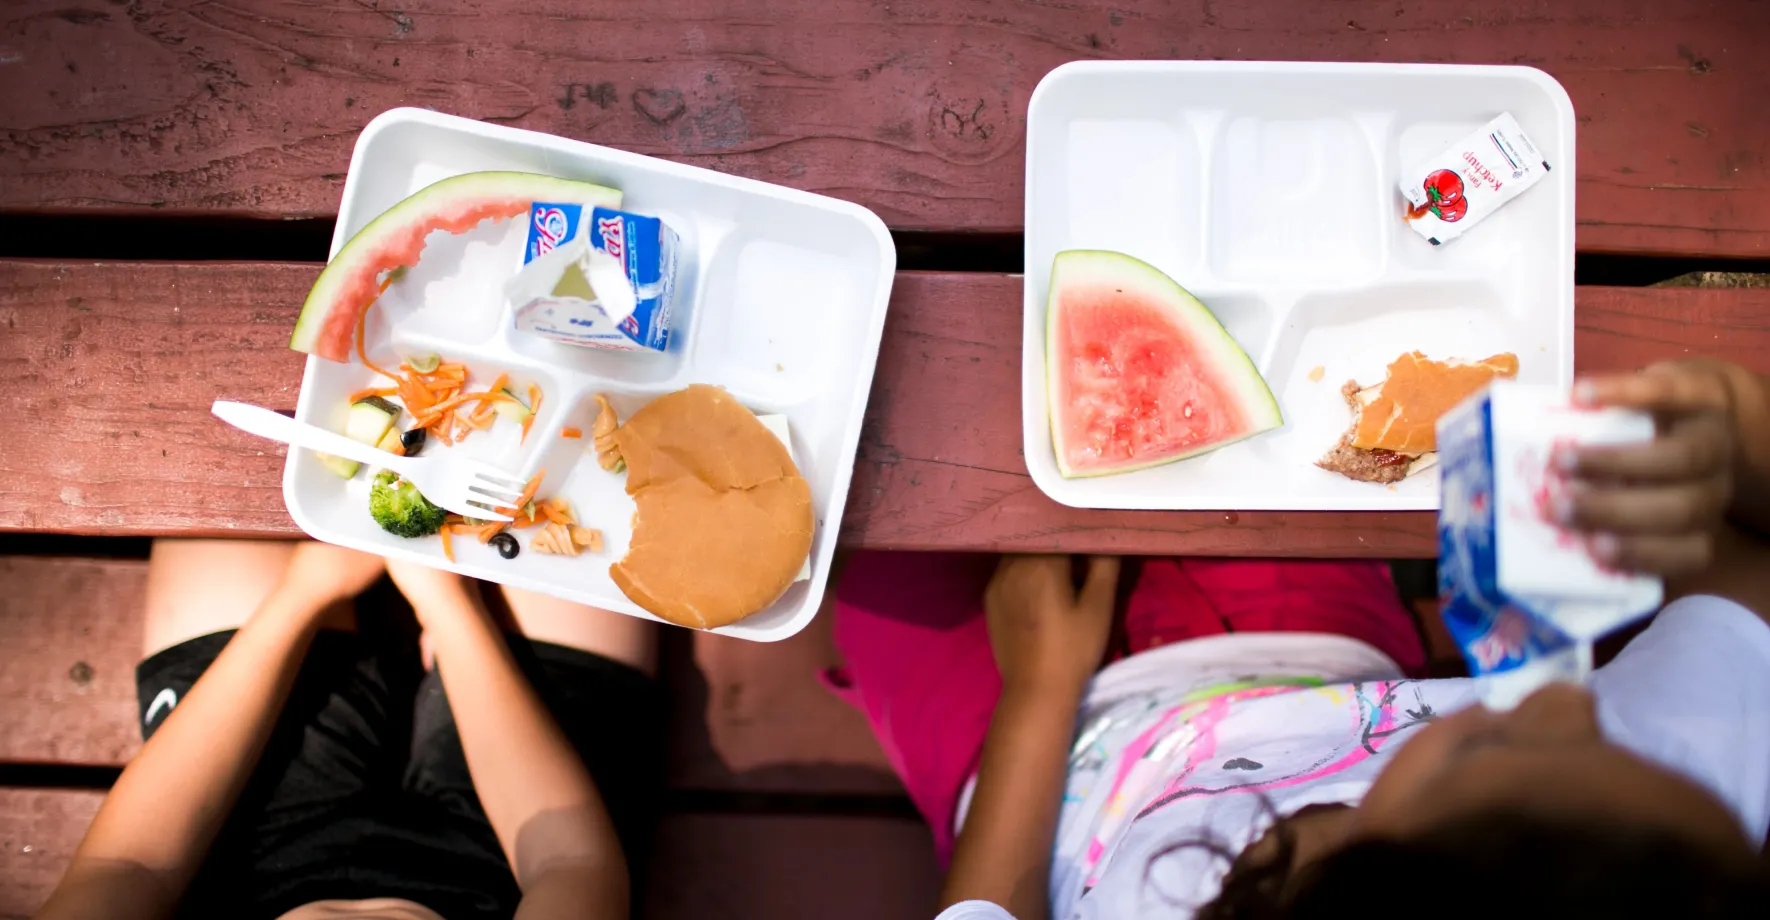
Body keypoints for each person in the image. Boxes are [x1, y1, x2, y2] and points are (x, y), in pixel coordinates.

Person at [823, 359, 1770, 919]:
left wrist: (1040, 688)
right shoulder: (1661, 838)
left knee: (869, 547)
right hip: (1303, 665)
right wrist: (1730, 442)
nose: (1573, 698)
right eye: (1607, 730)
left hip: (1035, 783)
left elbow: (986, 909)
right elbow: (1746, 585)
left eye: (1488, 734)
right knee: (1248, 393)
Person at [37, 542, 662, 920]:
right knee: (577, 505)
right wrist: (447, 605)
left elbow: (131, 864)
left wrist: (302, 597)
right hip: (509, 853)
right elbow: (572, 863)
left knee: (235, 457)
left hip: (247, 830)